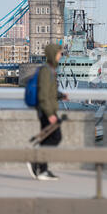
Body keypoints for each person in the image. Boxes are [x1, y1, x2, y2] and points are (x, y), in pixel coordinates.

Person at [27, 44, 68, 181]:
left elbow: (50, 91)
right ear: (52, 54)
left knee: (46, 138)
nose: (60, 56)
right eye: (59, 54)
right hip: (46, 110)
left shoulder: (50, 69)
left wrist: (61, 95)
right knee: (56, 137)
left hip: (47, 109)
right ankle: (36, 161)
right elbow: (43, 95)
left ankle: (42, 169)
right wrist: (50, 114)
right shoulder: (46, 70)